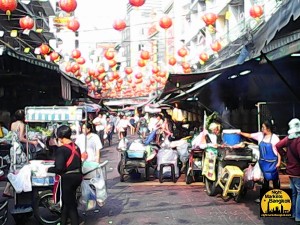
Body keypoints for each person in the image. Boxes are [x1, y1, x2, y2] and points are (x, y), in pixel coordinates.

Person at [47, 125, 83, 225]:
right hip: (78, 176)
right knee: (66, 203)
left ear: (59, 136)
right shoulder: (76, 147)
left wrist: (49, 169)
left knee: (71, 206)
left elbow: (59, 168)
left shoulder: (62, 149)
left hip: (68, 179)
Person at [239, 120, 281, 202]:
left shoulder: (275, 138)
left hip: (273, 162)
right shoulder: (260, 135)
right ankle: (263, 198)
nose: (262, 129)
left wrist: (279, 163)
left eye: (263, 127)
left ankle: (278, 199)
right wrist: (239, 133)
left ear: (268, 128)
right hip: (263, 163)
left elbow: (279, 152)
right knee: (265, 181)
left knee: (275, 180)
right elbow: (249, 135)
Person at [3, 109, 39, 198]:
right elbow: (21, 138)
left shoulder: (13, 124)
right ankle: (17, 187)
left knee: (14, 166)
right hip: (18, 148)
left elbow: (14, 136)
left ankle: (8, 189)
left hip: (13, 148)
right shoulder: (21, 124)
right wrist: (32, 142)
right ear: (24, 117)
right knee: (23, 165)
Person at [276, 118, 300, 224]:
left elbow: (277, 146)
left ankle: (293, 213)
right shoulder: (298, 140)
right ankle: (298, 216)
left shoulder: (288, 139)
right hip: (298, 171)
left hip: (290, 169)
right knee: (299, 193)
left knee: (294, 192)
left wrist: (285, 155)